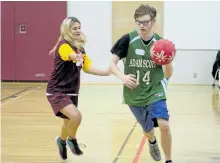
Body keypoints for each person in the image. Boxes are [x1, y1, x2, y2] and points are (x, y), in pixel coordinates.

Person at [109, 4, 174, 163]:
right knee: (148, 130)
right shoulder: (127, 39)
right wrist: (122, 77)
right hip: (134, 92)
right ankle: (152, 142)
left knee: (164, 125)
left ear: (153, 22)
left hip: (155, 89)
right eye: (138, 22)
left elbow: (168, 75)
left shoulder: (161, 43)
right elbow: (111, 65)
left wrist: (167, 62)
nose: (142, 26)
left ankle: (169, 159)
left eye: (145, 22)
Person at [46, 17, 109, 160]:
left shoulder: (80, 48)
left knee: (68, 121)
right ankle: (71, 140)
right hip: (57, 90)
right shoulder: (63, 45)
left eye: (79, 27)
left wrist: (109, 72)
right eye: (74, 28)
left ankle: (61, 141)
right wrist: (76, 56)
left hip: (72, 91)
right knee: (76, 116)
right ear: (66, 30)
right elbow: (69, 55)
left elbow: (88, 68)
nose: (78, 30)